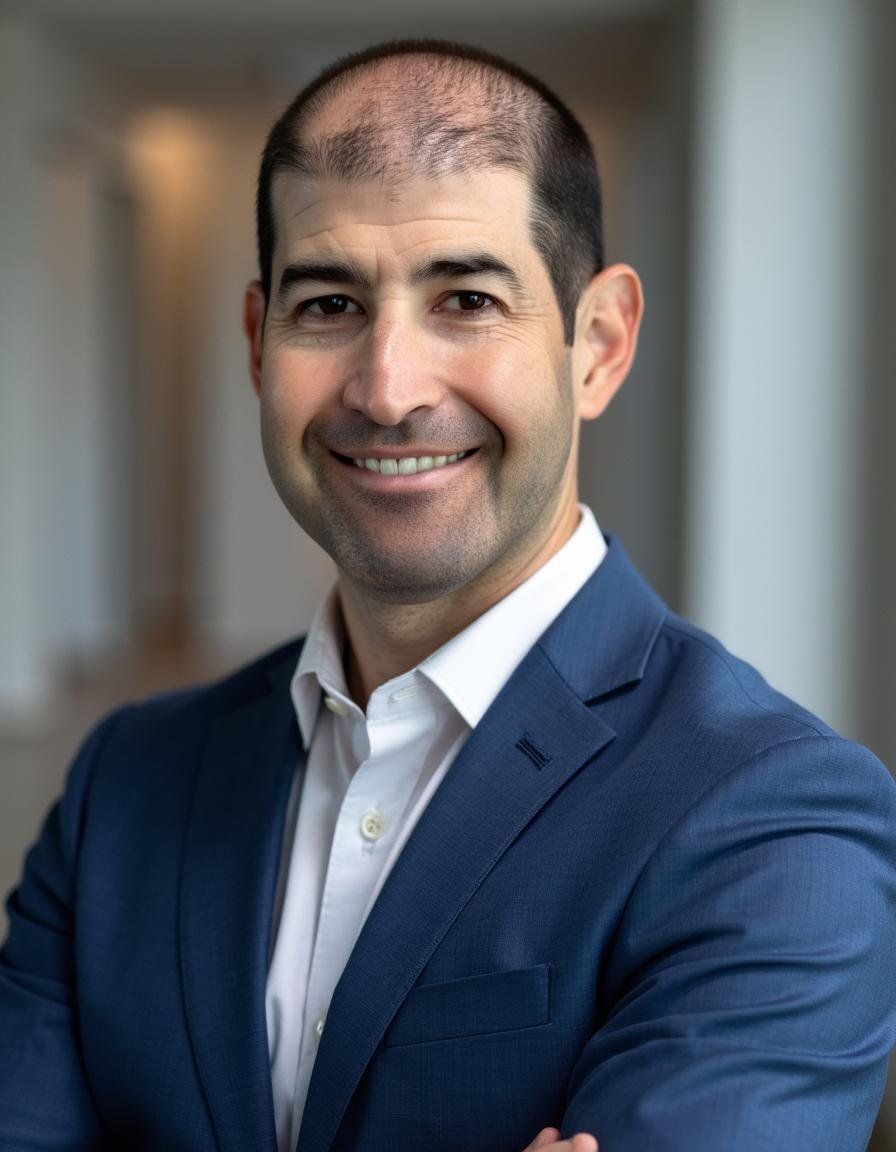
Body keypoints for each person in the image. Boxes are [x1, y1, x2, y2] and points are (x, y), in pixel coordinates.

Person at [1, 38, 894, 1152]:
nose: (386, 390)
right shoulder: (121, 787)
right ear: (256, 341)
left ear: (598, 344)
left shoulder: (774, 822)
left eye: (465, 298)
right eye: (326, 305)